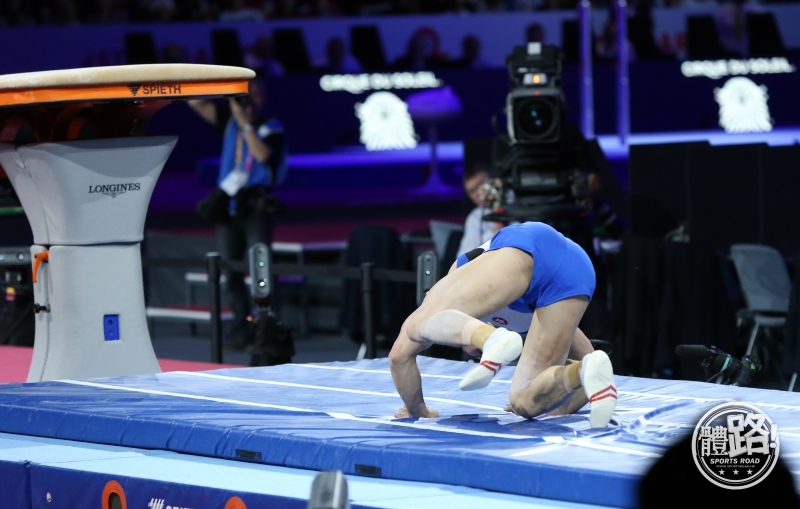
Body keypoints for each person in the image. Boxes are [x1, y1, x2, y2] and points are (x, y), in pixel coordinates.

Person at [388, 221, 616, 428]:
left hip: (525, 248)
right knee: (527, 402)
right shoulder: (528, 320)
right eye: (479, 355)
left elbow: (399, 355)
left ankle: (488, 338)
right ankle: (579, 373)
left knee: (418, 325)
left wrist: (418, 410)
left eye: (475, 353)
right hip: (575, 268)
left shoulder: (450, 288)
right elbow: (587, 353)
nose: (475, 356)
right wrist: (570, 380)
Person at [189, 79, 287, 349]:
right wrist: (227, 94)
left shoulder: (271, 126)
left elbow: (263, 155)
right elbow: (194, 101)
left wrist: (245, 123)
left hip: (255, 206)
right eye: (245, 96)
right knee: (230, 270)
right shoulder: (228, 119)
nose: (249, 101)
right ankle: (240, 326)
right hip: (229, 207)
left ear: (262, 98)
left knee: (260, 266)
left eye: (254, 95)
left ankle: (267, 325)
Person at [457, 164, 502, 255]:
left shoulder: (518, 203)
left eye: (480, 185)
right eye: (472, 191)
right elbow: (463, 256)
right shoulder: (475, 217)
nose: (478, 193)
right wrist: (493, 233)